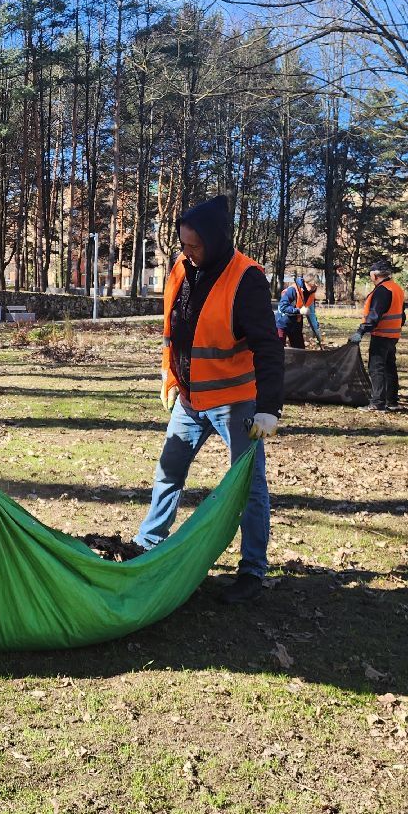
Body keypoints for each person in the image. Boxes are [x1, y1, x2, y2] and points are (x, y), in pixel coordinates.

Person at [132, 194, 285, 605]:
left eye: (194, 245)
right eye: (183, 244)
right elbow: (174, 328)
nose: (187, 252)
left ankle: (252, 571)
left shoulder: (246, 279)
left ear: (215, 241)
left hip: (236, 404)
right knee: (169, 470)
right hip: (189, 398)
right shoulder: (183, 268)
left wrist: (268, 407)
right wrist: (169, 374)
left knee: (249, 487)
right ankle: (147, 544)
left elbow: (269, 348)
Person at [348, 259, 406, 411]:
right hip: (393, 335)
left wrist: (360, 331)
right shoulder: (396, 288)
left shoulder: (382, 290)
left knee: (376, 368)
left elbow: (374, 314)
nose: (370, 278)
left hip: (382, 334)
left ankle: (378, 403)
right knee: (389, 368)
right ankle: (392, 401)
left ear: (375, 275)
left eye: (370, 275)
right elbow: (402, 315)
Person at [275, 274, 323, 349]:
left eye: (315, 287)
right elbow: (282, 307)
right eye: (312, 286)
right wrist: (299, 311)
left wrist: (316, 330)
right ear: (305, 282)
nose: (313, 288)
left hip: (296, 324)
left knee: (300, 350)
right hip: (282, 323)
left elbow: (311, 314)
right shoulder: (293, 290)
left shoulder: (311, 294)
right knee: (278, 349)